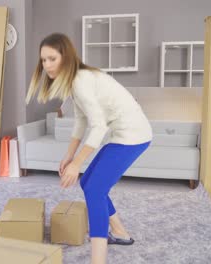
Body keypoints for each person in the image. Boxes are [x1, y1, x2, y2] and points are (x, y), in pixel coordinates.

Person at [26, 33, 152, 264]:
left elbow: (98, 126)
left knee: (94, 189)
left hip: (133, 135)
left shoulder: (80, 80)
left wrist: (77, 164)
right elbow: (81, 121)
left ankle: (98, 260)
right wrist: (69, 156)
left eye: (52, 58)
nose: (47, 65)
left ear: (66, 56)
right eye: (43, 60)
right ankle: (121, 234)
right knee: (89, 183)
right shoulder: (75, 81)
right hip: (121, 134)